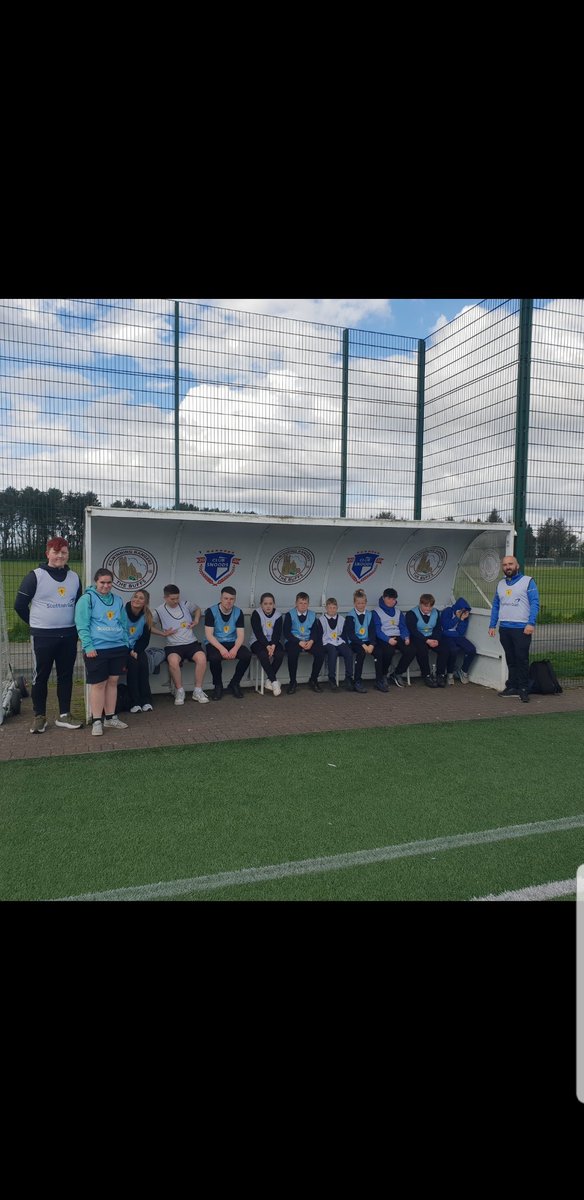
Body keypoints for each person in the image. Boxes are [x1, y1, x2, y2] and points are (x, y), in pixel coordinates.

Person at [14, 536, 83, 734]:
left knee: (66, 676)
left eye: (64, 553)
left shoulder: (74, 577)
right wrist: (36, 623)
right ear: (48, 554)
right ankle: (39, 717)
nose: (60, 556)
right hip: (42, 637)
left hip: (69, 636)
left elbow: (79, 607)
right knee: (40, 677)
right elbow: (19, 605)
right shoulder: (35, 576)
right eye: (56, 552)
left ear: (68, 555)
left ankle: (64, 715)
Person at [75, 567, 130, 736]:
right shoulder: (87, 599)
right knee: (99, 684)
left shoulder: (118, 600)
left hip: (117, 648)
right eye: (102, 582)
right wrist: (88, 646)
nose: (106, 586)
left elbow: (123, 623)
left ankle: (110, 718)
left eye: (109, 583)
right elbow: (82, 625)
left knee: (113, 682)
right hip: (97, 649)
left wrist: (126, 642)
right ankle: (97, 720)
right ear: (96, 582)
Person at [489, 554, 539, 703]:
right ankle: (513, 686)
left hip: (522, 628)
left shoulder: (528, 581)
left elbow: (535, 603)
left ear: (517, 566)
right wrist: (492, 624)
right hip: (505, 627)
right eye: (505, 565)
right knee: (511, 659)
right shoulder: (500, 584)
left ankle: (524, 688)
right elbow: (496, 605)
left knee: (521, 659)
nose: (508, 567)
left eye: (510, 564)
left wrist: (531, 623)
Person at [152, 585, 209, 706]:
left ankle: (198, 690)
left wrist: (197, 620)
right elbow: (149, 626)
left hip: (191, 643)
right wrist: (163, 633)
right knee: (173, 661)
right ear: (165, 598)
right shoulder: (159, 610)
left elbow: (197, 609)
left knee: (202, 658)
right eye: (172, 599)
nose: (176, 601)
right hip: (173, 645)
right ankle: (180, 691)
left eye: (177, 598)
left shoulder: (186, 604)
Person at [204, 585, 252, 700]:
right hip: (215, 643)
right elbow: (209, 635)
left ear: (234, 599)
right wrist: (221, 649)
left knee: (246, 655)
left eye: (231, 599)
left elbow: (240, 635)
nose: (228, 601)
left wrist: (235, 649)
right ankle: (218, 685)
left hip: (232, 642)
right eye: (226, 598)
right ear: (221, 598)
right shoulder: (211, 611)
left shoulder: (238, 612)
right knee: (214, 658)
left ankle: (234, 683)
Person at [393, 593, 449, 687]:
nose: (427, 609)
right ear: (420, 603)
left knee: (445, 649)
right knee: (422, 650)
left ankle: (440, 675)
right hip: (418, 638)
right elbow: (413, 630)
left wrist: (436, 640)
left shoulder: (436, 612)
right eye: (425, 606)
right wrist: (426, 640)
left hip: (432, 637)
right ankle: (426, 675)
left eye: (430, 607)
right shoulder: (412, 613)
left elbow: (438, 629)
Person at [283, 592, 325, 695]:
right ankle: (293, 682)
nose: (303, 605)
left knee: (320, 652)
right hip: (294, 641)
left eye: (305, 603)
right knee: (292, 654)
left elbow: (316, 631)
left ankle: (313, 680)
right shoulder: (289, 614)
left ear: (308, 604)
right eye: (300, 603)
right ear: (296, 603)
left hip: (308, 641)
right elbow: (286, 633)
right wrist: (298, 642)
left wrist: (311, 641)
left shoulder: (312, 614)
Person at [371, 587, 411, 691]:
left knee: (410, 650)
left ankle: (397, 673)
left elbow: (402, 627)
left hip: (397, 635)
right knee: (389, 651)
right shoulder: (376, 612)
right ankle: (384, 674)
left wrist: (406, 637)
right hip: (384, 637)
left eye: (393, 599)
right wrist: (388, 640)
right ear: (384, 598)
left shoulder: (398, 611)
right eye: (389, 599)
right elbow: (377, 630)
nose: (391, 601)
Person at [124, 589, 154, 713]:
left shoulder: (147, 616)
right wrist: (129, 650)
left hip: (136, 648)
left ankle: (146, 701)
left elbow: (145, 638)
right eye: (135, 597)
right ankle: (134, 702)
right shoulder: (122, 612)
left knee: (143, 663)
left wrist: (136, 650)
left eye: (141, 598)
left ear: (145, 603)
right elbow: (118, 633)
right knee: (132, 665)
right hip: (122, 647)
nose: (136, 600)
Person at [250, 592, 284, 696]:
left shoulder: (278, 615)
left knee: (280, 654)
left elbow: (277, 633)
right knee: (263, 654)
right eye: (265, 603)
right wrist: (267, 646)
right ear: (261, 604)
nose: (268, 606)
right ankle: (274, 681)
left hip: (272, 642)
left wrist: (273, 645)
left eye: (270, 603)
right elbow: (258, 632)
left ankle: (269, 680)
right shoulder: (256, 614)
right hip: (258, 641)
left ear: (274, 604)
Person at [343, 588, 375, 693]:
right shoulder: (350, 615)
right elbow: (351, 634)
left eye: (362, 603)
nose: (360, 605)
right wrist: (363, 645)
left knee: (379, 652)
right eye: (358, 603)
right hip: (356, 642)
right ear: (354, 603)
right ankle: (357, 680)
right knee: (361, 652)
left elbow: (372, 631)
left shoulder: (370, 614)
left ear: (366, 603)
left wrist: (372, 645)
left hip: (367, 641)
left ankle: (380, 678)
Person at [319, 598, 355, 690]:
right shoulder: (321, 619)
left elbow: (344, 634)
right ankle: (331, 678)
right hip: (326, 642)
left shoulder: (342, 619)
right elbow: (320, 635)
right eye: (330, 608)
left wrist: (346, 645)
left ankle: (349, 678)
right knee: (333, 652)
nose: (332, 610)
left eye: (334, 608)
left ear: (337, 608)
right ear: (326, 608)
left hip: (338, 640)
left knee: (348, 652)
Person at [440, 597, 476, 685]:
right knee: (453, 650)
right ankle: (450, 673)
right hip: (445, 636)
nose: (462, 613)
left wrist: (462, 620)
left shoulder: (464, 616)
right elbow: (446, 626)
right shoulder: (448, 611)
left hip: (457, 636)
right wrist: (457, 617)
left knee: (471, 650)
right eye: (460, 610)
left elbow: (461, 632)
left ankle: (463, 671)